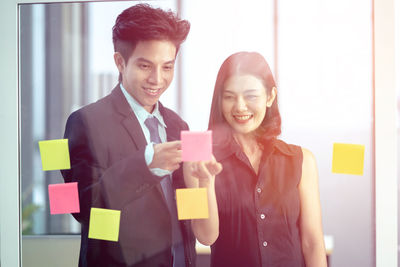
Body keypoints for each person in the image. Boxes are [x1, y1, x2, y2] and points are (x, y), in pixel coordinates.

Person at [61, 4, 196, 267]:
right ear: (120, 62)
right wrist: (146, 164)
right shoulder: (84, 122)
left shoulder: (179, 126)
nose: (157, 79)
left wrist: (204, 187)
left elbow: (189, 212)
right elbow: (79, 206)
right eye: (145, 66)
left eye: (167, 67)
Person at [183, 52, 327, 267]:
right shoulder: (194, 157)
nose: (240, 107)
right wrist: (206, 182)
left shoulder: (303, 160)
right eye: (230, 97)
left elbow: (313, 243)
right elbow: (204, 236)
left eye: (251, 96)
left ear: (270, 97)